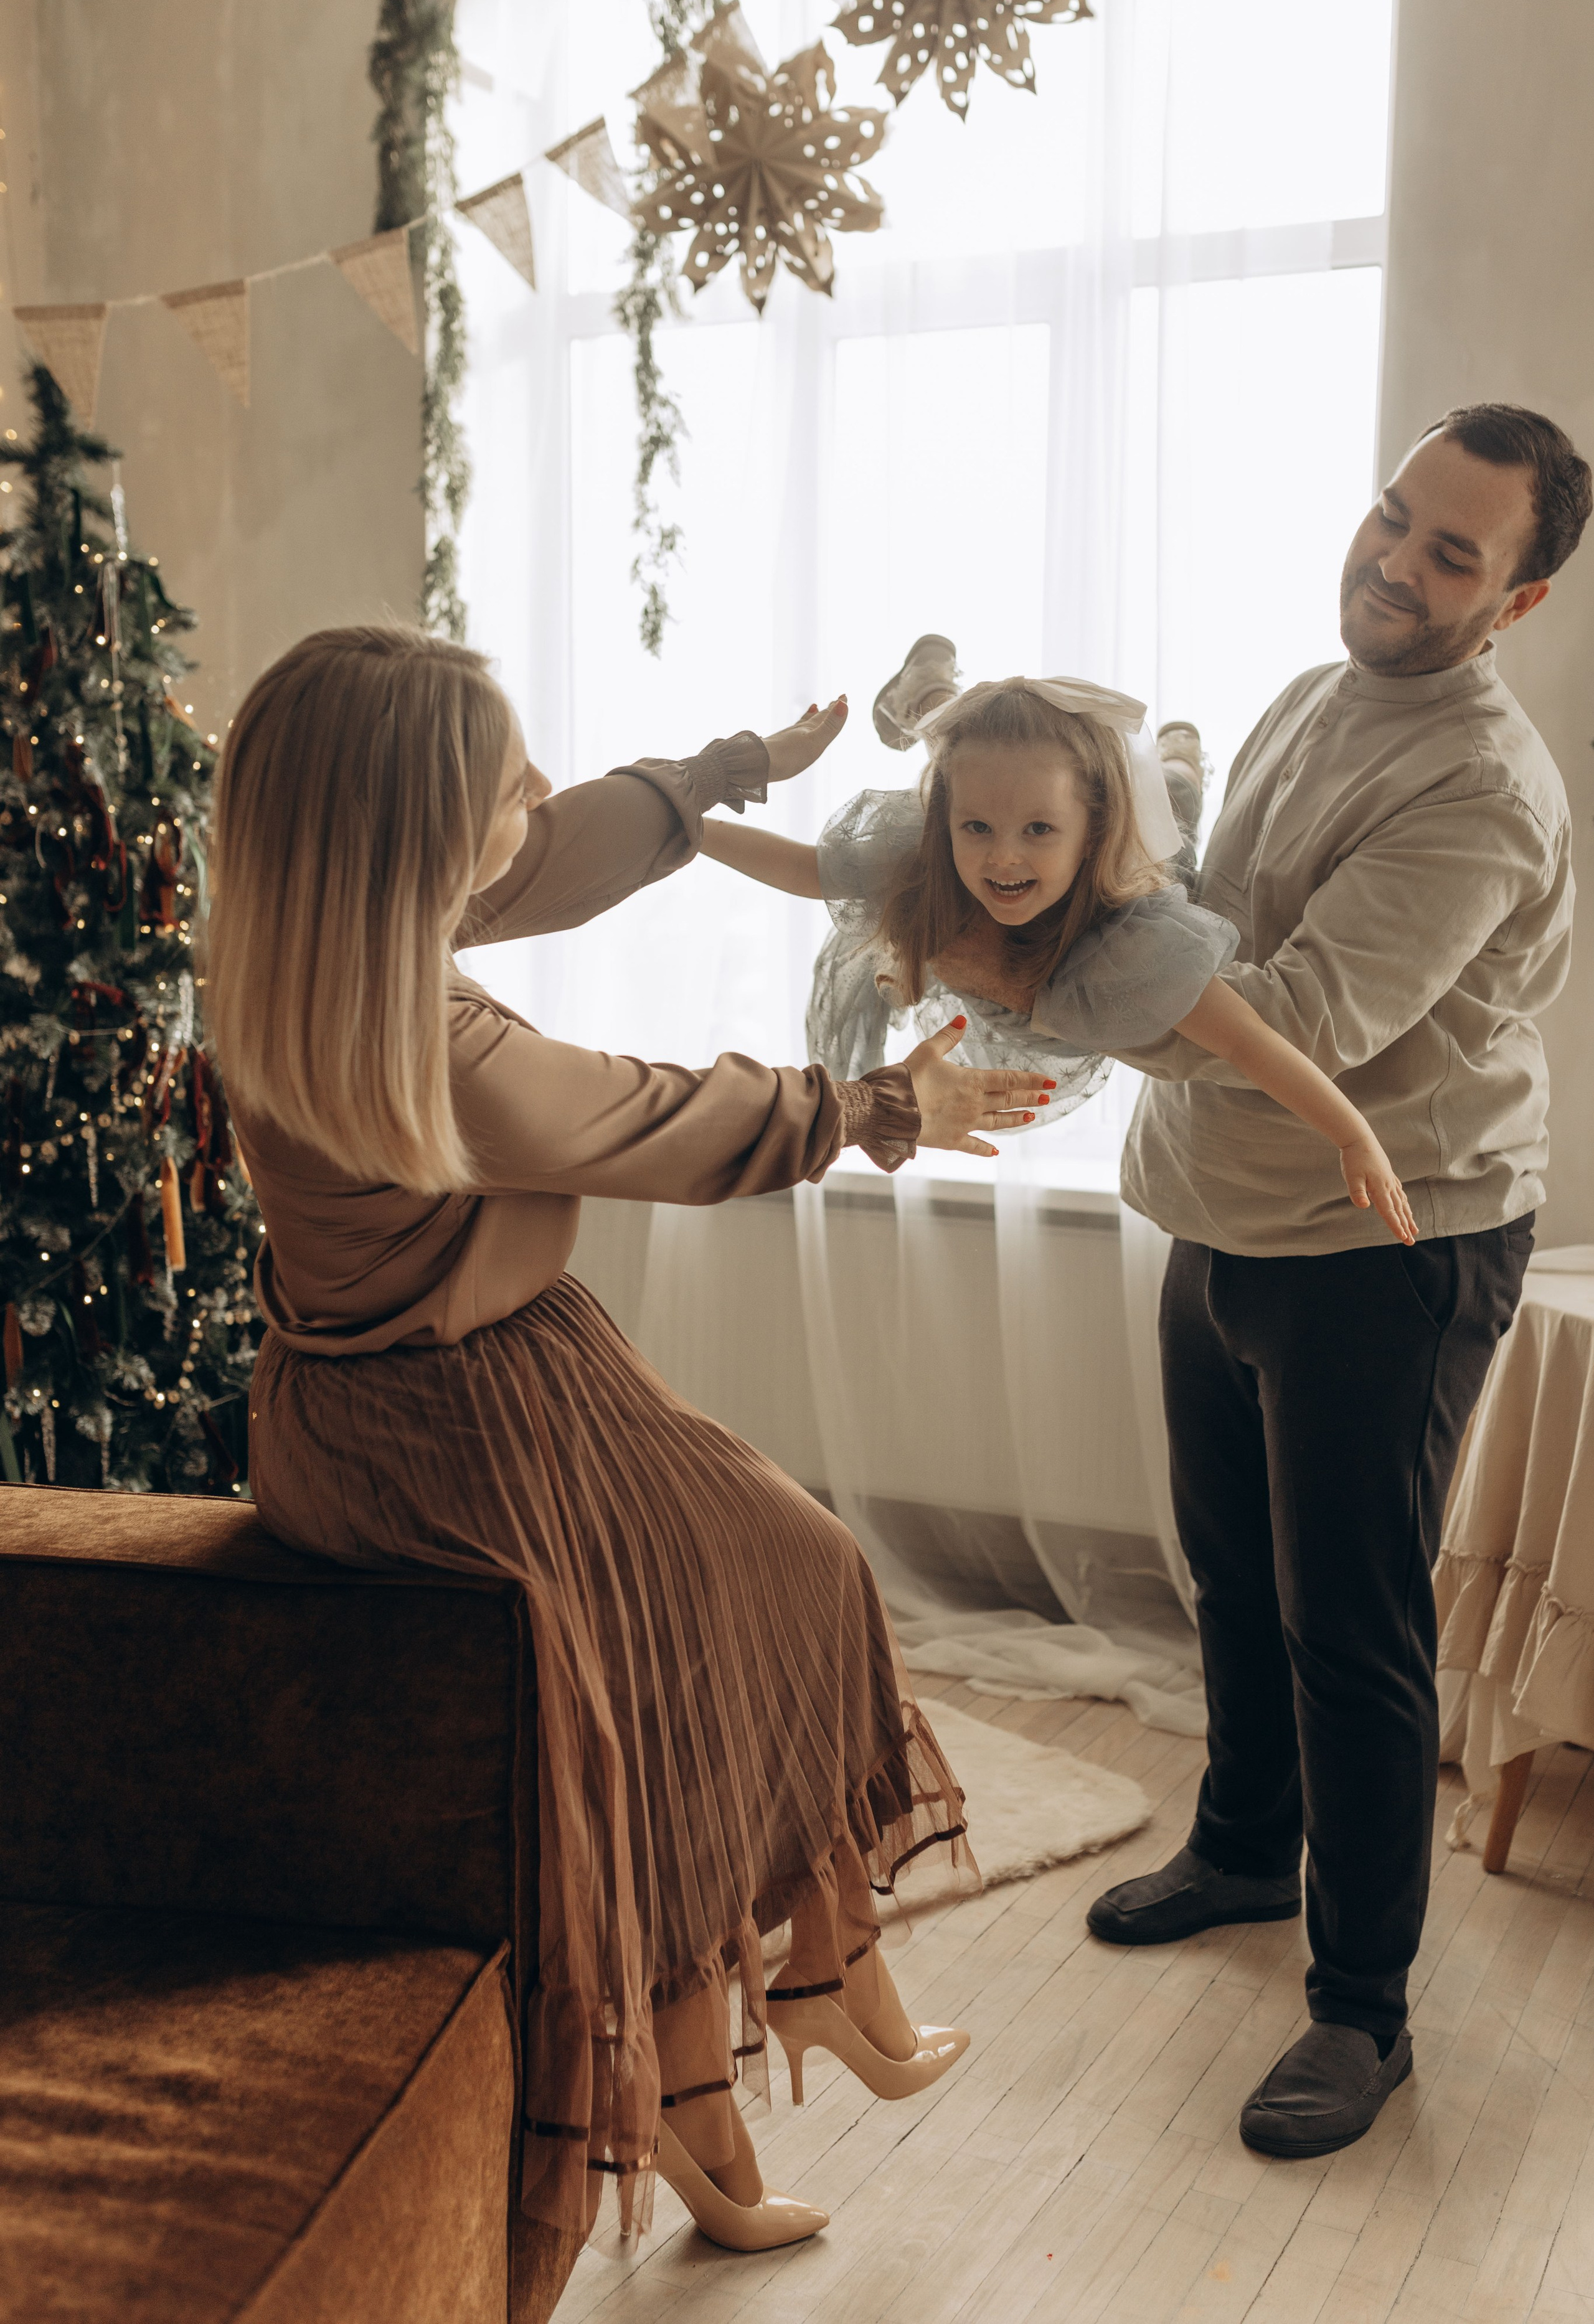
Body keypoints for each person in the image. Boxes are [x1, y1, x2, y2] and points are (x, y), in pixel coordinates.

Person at [205, 625, 1055, 2252]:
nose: (534, 790)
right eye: (496, 782)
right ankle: (695, 2078)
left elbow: (559, 848)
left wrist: (729, 772)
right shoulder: (428, 1042)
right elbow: (652, 1117)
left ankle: (811, 1983)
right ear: (409, 836)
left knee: (793, 1571)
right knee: (670, 1676)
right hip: (435, 1423)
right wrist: (884, 1109)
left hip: (470, 1369)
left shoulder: (324, 924)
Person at [1087, 402, 1590, 2159]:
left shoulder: (1484, 787)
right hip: (1227, 1209)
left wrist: (1041, 953)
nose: (1395, 561)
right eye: (1395, 517)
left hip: (1395, 1238)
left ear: (1517, 602)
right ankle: (1241, 1846)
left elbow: (1292, 1024)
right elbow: (1206, 920)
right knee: (1232, 1569)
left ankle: (1362, 2006)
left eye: (1454, 552)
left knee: (1349, 1623)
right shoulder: (1316, 691)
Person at [699, 659, 1417, 1246]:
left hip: (1141, 867)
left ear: (1093, 829)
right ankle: (933, 695)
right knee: (978, 767)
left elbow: (1252, 1045)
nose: (1003, 858)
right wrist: (682, 827)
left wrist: (1353, 1136)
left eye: (1040, 830)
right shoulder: (932, 851)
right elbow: (801, 869)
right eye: (974, 828)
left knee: (1177, 807)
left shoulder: (1131, 947)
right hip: (992, 819)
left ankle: (1179, 754)